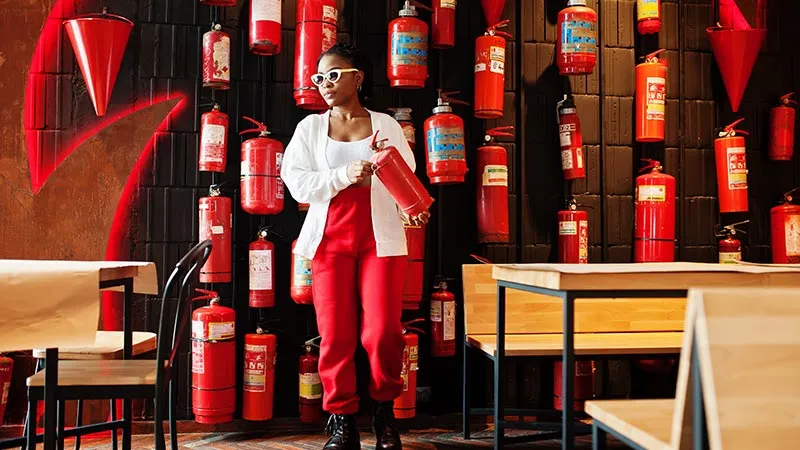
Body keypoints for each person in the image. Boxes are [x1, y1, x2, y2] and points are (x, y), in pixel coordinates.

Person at [280, 42, 431, 450]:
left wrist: (408, 204)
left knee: (383, 332)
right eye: (319, 78)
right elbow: (297, 183)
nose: (325, 84)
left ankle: (383, 414)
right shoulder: (309, 129)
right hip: (330, 240)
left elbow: (406, 177)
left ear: (357, 78)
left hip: (379, 240)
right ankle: (342, 420)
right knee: (335, 336)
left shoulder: (387, 125)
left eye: (333, 74)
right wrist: (346, 174)